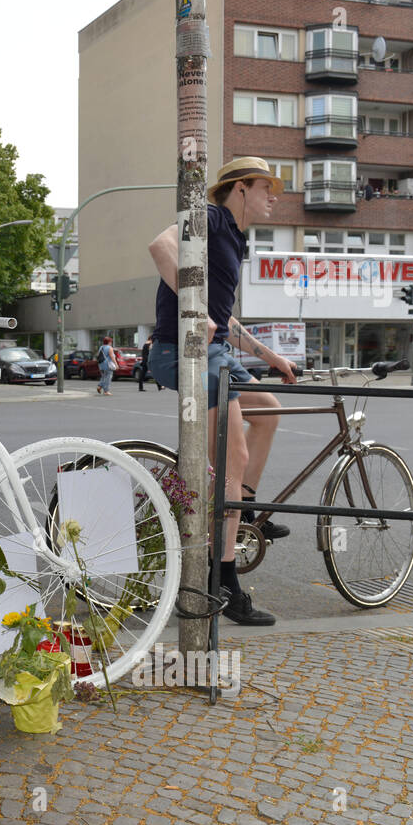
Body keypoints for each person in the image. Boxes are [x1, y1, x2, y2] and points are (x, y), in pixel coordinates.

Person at [146, 156, 298, 627]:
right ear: (239, 189)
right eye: (265, 186)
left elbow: (224, 316)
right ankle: (224, 580)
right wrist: (193, 307)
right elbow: (159, 245)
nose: (274, 195)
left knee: (269, 410)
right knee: (232, 457)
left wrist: (268, 355)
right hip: (182, 351)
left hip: (214, 351)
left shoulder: (235, 236)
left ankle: (244, 506)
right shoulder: (211, 219)